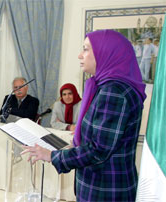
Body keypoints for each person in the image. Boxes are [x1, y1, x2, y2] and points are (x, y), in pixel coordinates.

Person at [22, 30, 146, 201]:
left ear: (104, 53)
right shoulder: (106, 86)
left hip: (106, 190)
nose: (80, 55)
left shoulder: (114, 92)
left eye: (86, 49)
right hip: (100, 185)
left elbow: (99, 150)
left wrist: (52, 155)